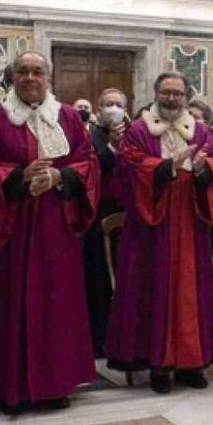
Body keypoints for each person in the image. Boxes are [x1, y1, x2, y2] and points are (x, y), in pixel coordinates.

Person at [0, 53, 99, 412]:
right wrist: (19, 177)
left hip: (54, 225)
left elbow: (87, 161)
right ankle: (3, 386)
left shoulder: (68, 117)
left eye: (38, 72)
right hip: (9, 226)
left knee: (55, 303)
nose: (30, 78)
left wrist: (58, 176)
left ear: (48, 78)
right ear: (12, 78)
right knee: (4, 300)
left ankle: (54, 384)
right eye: (23, 72)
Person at [106, 73, 213, 393]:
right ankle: (158, 364)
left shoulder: (200, 130)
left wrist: (204, 169)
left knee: (191, 290)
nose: (171, 98)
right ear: (156, 93)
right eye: (166, 92)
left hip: (190, 220)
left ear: (187, 96)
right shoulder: (139, 130)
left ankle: (191, 363)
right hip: (152, 224)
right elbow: (129, 167)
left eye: (177, 93)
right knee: (154, 289)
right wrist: (165, 168)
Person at [82, 87, 129, 354]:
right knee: (98, 278)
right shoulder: (89, 135)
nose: (114, 109)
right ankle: (99, 338)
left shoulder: (135, 134)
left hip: (130, 214)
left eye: (118, 104)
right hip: (97, 214)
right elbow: (90, 170)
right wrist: (111, 146)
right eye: (108, 104)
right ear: (99, 110)